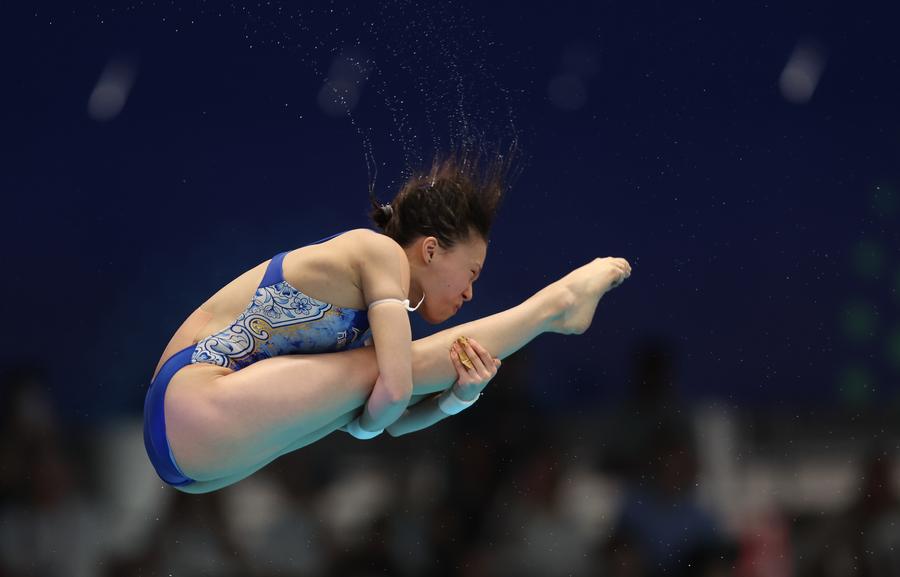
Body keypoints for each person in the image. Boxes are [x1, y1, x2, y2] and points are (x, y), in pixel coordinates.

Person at [143, 148, 633, 494]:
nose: (470, 292)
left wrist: (459, 397)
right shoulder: (378, 253)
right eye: (471, 272)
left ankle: (553, 309)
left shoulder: (378, 317)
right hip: (190, 402)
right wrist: (375, 415)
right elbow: (391, 397)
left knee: (377, 374)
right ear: (431, 249)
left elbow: (384, 424)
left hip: (200, 453)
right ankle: (554, 305)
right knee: (384, 369)